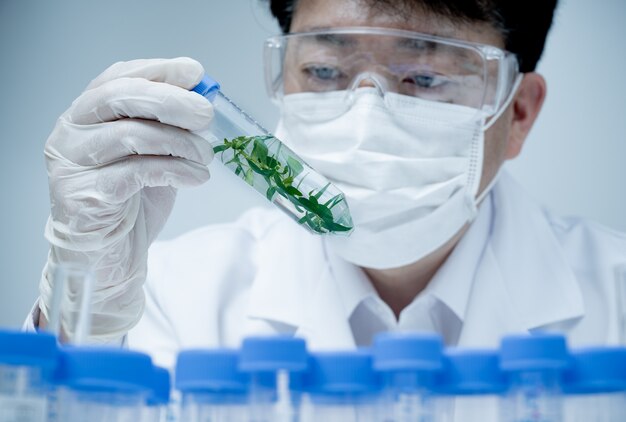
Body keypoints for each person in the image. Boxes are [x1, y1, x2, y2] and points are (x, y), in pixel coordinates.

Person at [28, 0, 625, 371]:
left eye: (423, 75)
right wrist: (88, 316)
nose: (365, 115)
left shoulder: (615, 305)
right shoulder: (177, 297)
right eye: (322, 71)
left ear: (518, 112)